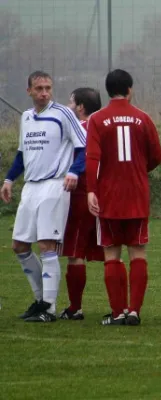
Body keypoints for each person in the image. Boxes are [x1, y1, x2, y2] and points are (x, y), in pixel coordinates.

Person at [0, 70, 86, 322]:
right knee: (19, 246)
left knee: (47, 245)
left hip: (55, 185)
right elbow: (21, 154)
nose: (44, 92)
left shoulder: (63, 114)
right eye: (39, 88)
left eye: (48, 87)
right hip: (31, 187)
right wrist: (8, 179)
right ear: (29, 91)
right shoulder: (26, 117)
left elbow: (84, 147)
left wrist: (73, 172)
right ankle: (41, 301)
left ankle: (48, 308)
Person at [86, 69, 161, 326]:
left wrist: (91, 190)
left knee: (112, 253)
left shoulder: (97, 119)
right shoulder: (143, 118)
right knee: (138, 252)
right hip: (137, 195)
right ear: (130, 89)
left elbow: (93, 159)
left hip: (108, 196)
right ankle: (134, 311)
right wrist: (140, 170)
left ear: (108, 90)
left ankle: (118, 312)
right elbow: (157, 155)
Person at [59, 87, 104, 320]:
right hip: (107, 195)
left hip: (82, 195)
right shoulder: (105, 126)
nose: (68, 106)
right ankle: (119, 308)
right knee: (111, 250)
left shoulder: (80, 129)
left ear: (81, 107)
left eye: (71, 102)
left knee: (75, 252)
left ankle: (75, 307)